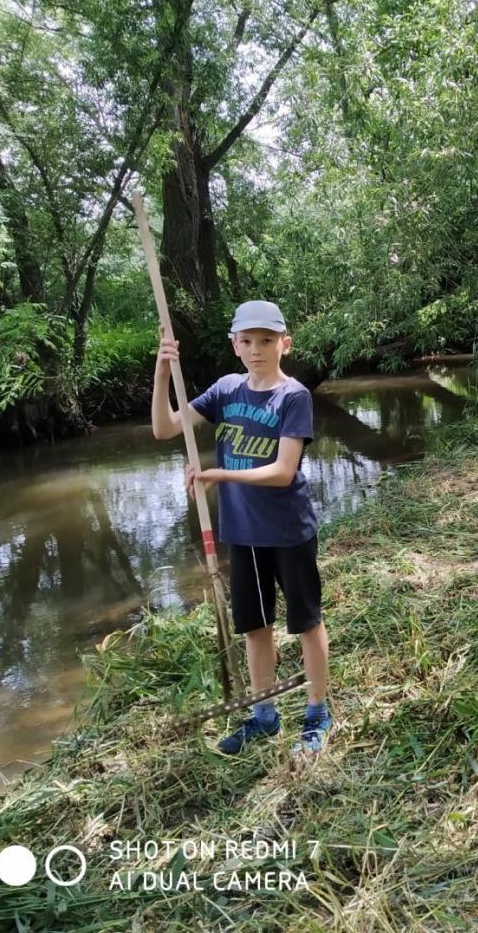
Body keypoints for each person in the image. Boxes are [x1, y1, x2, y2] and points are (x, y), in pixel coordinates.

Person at [151, 300, 335, 753]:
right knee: (255, 625)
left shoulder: (293, 397)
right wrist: (161, 375)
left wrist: (218, 475)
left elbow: (283, 471)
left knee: (306, 622)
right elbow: (165, 428)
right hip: (243, 530)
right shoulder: (226, 390)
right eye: (248, 341)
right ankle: (264, 714)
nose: (257, 349)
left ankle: (317, 713)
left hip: (288, 530)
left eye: (267, 340)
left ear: (284, 344)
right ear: (235, 345)